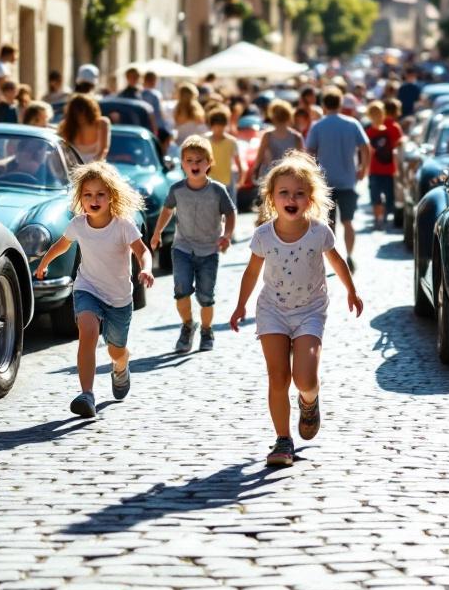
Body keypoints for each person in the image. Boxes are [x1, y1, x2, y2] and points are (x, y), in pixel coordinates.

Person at [228, 151, 363, 467]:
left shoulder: (319, 232)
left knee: (304, 378)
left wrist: (352, 291)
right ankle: (283, 440)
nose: (292, 198)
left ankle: (309, 400)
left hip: (310, 311)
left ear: (310, 198)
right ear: (272, 198)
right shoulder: (263, 235)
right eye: (284, 192)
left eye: (299, 193)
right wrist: (240, 306)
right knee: (277, 377)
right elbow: (251, 273)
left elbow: (337, 261)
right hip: (272, 310)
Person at [35, 162, 154, 419]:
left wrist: (146, 268)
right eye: (88, 194)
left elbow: (142, 251)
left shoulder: (123, 225)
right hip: (87, 288)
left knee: (115, 349)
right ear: (81, 199)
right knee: (87, 332)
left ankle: (120, 365)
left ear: (112, 195)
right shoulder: (79, 224)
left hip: (119, 298)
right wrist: (45, 262)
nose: (94, 199)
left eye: (100, 194)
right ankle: (86, 394)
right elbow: (62, 245)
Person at [149, 136, 236, 354]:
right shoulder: (177, 189)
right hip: (182, 248)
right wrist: (157, 232)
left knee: (206, 297)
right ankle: (187, 325)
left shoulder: (217, 190)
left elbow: (230, 212)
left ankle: (207, 330)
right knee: (181, 291)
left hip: (209, 250)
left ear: (209, 163)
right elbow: (167, 210)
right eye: (189, 160)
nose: (194, 164)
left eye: (199, 160)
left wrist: (227, 235)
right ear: (182, 164)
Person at [306, 88, 370, 272]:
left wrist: (311, 174)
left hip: (324, 183)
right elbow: (366, 148)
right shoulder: (352, 123)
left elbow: (309, 152)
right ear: (340, 104)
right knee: (348, 221)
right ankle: (349, 256)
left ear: (324, 105)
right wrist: (363, 169)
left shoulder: (317, 126)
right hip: (348, 180)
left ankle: (331, 260)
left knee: (327, 224)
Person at [363, 100, 401, 231]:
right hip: (374, 169)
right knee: (375, 196)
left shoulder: (392, 128)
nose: (377, 116)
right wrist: (364, 166)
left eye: (379, 113)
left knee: (389, 196)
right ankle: (378, 219)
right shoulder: (368, 132)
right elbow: (365, 150)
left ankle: (384, 215)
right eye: (373, 114)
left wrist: (397, 167)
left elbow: (398, 147)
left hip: (389, 169)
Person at [251, 100, 305, 182]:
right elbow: (302, 160)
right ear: (288, 116)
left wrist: (255, 172)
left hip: (270, 177)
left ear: (273, 116)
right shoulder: (297, 137)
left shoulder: (267, 135)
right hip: (291, 177)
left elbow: (259, 158)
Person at [204, 106, 243, 199]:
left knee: (229, 208)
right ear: (211, 125)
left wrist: (241, 179)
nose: (219, 128)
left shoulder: (231, 142)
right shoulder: (205, 141)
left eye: (221, 125)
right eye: (216, 125)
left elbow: (238, 161)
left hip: (227, 181)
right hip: (210, 180)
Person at [59, 93, 111, 161]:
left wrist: (91, 167)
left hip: (96, 167)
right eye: (76, 113)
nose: (80, 116)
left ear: (90, 111)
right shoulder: (66, 126)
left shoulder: (102, 123)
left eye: (83, 112)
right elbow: (63, 151)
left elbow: (103, 150)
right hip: (72, 167)